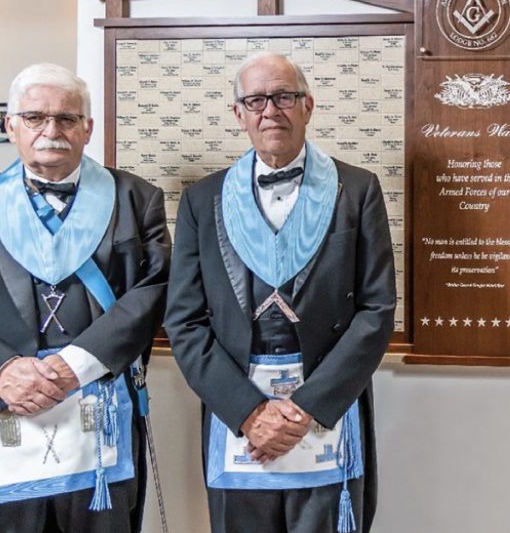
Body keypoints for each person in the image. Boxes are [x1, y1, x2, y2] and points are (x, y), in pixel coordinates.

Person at [0, 63, 170, 532]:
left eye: (67, 119)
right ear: (10, 126)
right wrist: (3, 371)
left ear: (87, 128)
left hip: (98, 403)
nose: (51, 131)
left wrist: (78, 365)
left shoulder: (137, 198)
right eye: (34, 118)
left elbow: (153, 291)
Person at [166, 51, 396, 533]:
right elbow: (184, 321)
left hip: (326, 404)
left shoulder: (357, 189)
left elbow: (376, 310)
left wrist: (304, 408)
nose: (270, 110)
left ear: (307, 105)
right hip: (237, 412)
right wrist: (250, 413)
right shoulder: (201, 200)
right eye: (255, 100)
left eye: (284, 96)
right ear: (239, 114)